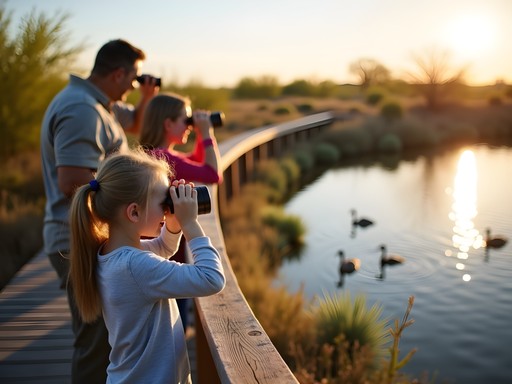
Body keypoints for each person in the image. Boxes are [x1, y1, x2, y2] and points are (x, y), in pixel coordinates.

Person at [40, 39, 159, 383]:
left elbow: (133, 124)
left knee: (104, 341)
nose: (133, 86)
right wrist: (137, 195)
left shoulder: (98, 105)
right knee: (96, 345)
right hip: (79, 240)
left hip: (90, 238)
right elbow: (74, 181)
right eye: (133, 79)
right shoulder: (82, 110)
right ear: (118, 73)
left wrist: (146, 98)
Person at [68, 148, 225, 383]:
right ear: (134, 212)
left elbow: (162, 249)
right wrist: (190, 223)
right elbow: (211, 278)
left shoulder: (113, 253)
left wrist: (172, 225)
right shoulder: (135, 266)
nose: (167, 208)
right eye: (164, 202)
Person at [138, 93, 223, 331]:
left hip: (152, 247)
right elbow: (211, 174)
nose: (189, 126)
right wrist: (206, 133)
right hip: (167, 250)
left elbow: (197, 162)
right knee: (174, 319)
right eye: (185, 120)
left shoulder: (152, 155)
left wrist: (201, 134)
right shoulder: (164, 158)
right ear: (167, 124)